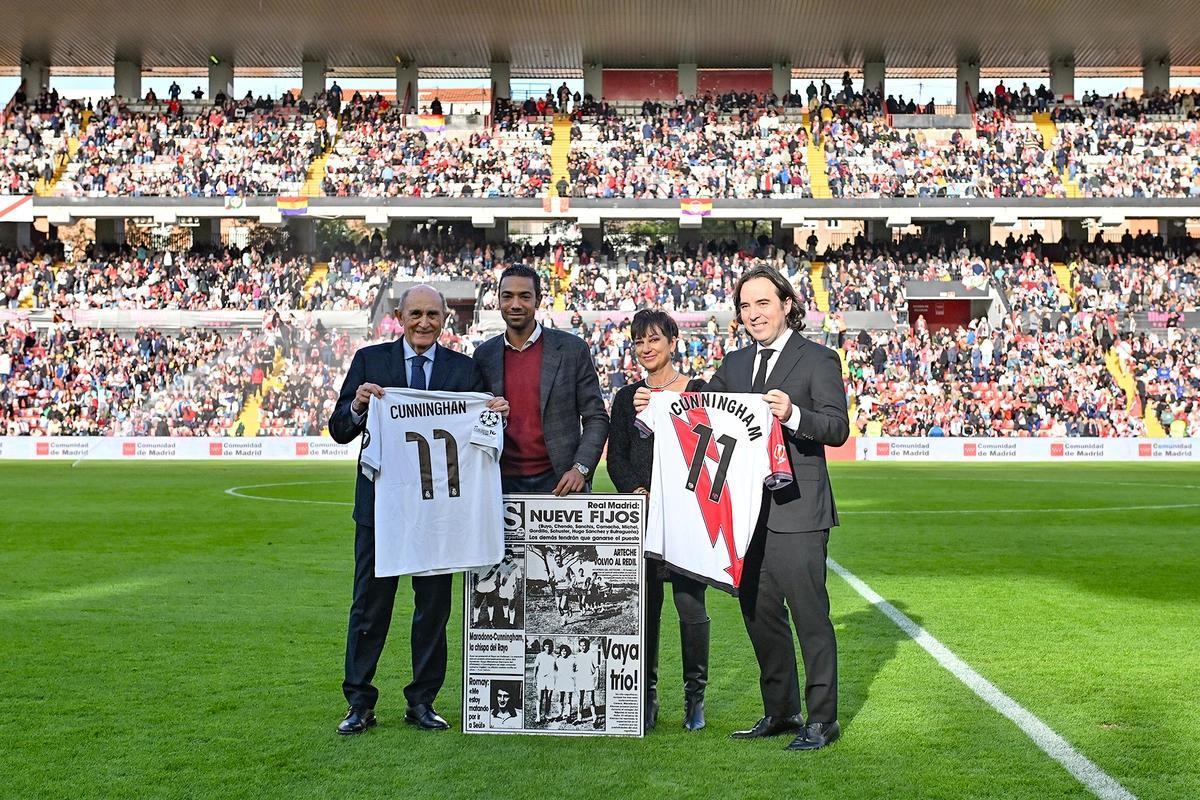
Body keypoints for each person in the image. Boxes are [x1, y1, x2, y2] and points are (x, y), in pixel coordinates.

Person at [636, 265, 849, 751]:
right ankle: (781, 710)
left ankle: (823, 719)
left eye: (763, 303)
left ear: (787, 304)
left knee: (810, 616)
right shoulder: (734, 365)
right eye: (746, 306)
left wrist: (793, 414)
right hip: (743, 512)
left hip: (798, 509)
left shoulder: (819, 358)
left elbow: (837, 428)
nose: (754, 314)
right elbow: (698, 412)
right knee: (759, 614)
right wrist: (655, 406)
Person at [328, 284, 509, 735]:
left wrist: (495, 414)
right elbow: (339, 429)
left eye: (433, 314)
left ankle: (422, 700)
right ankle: (359, 702)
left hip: (440, 511)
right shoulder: (370, 361)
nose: (424, 322)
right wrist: (358, 406)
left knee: (433, 609)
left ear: (445, 319)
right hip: (381, 510)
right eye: (416, 314)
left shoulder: (463, 369)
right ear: (399, 316)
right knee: (370, 606)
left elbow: (482, 434)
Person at [608, 309, 709, 732]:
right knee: (645, 610)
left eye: (654, 339)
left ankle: (694, 700)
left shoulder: (699, 392)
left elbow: (709, 451)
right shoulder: (626, 397)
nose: (646, 348)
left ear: (672, 342)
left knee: (691, 607)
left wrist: (668, 409)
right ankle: (646, 698)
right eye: (639, 341)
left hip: (686, 518)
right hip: (642, 520)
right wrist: (635, 490)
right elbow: (616, 458)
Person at [473, 264, 609, 495]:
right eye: (508, 296)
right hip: (500, 482)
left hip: (560, 482)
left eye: (524, 296)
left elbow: (596, 416)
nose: (515, 304)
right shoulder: (483, 355)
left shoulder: (572, 349)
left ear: (538, 300)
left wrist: (580, 468)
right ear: (498, 300)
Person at [575, 637, 601, 727]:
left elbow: (597, 668)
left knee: (591, 700)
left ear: (588, 646)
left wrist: (597, 680)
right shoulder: (578, 655)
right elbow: (576, 668)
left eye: (584, 645)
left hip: (589, 679)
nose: (582, 647)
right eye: (581, 645)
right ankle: (579, 718)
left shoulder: (592, 655)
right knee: (580, 699)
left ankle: (594, 718)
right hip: (580, 679)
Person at [533, 639, 557, 723]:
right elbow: (536, 667)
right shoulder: (539, 655)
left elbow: (557, 668)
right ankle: (538, 716)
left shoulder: (554, 656)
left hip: (550, 679)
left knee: (548, 698)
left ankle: (547, 714)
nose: (548, 648)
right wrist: (534, 678)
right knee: (539, 698)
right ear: (544, 647)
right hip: (541, 679)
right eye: (546, 646)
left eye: (549, 646)